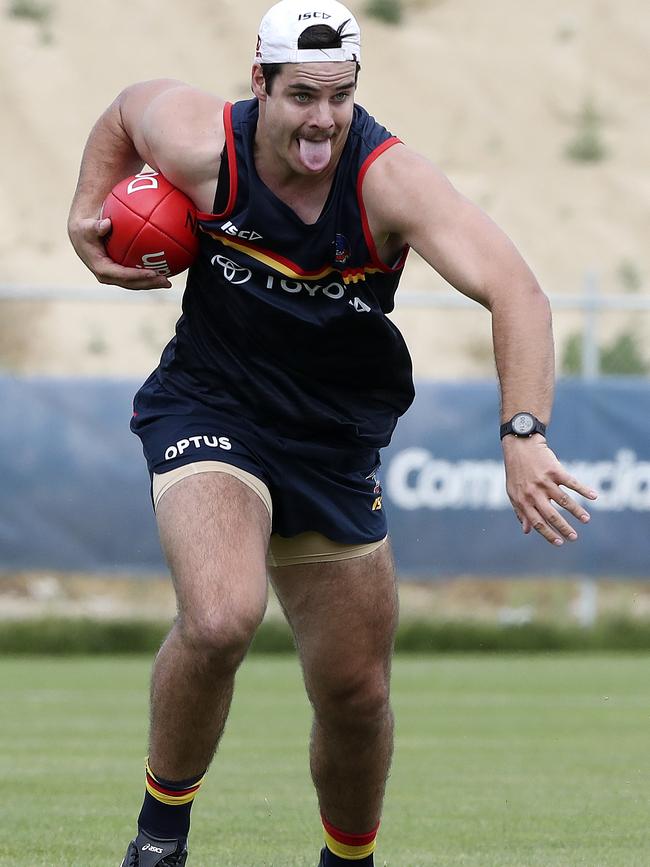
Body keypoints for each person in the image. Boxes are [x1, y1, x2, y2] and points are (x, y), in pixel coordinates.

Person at [68, 1, 598, 865]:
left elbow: (518, 292)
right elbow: (127, 107)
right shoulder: (206, 146)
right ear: (260, 85)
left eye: (339, 97)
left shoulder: (387, 181)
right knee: (221, 616)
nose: (321, 119)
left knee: (355, 693)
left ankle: (347, 859)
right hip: (211, 406)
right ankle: (158, 841)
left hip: (330, 439)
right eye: (302, 95)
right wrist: (84, 214)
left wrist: (524, 432)